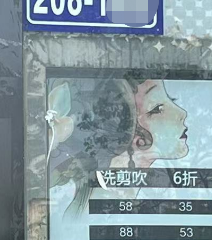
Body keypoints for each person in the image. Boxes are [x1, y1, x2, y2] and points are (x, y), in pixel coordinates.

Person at [46, 75, 188, 215]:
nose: (183, 113)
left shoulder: (113, 204)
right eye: (157, 108)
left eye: (171, 100)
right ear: (120, 130)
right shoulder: (103, 211)